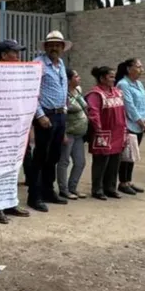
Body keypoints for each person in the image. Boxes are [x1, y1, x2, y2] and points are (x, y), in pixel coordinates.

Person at [28, 31, 74, 211]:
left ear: (63, 48)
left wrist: (64, 108)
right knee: (41, 156)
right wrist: (40, 115)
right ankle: (35, 196)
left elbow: (63, 88)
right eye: (51, 45)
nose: (54, 48)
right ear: (46, 47)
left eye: (58, 45)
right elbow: (32, 92)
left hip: (60, 114)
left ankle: (48, 190)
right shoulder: (38, 64)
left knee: (53, 156)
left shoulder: (61, 64)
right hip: (45, 115)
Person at [0, 39, 32, 224]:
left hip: (17, 127)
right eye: (14, 52)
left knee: (13, 168)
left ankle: (10, 202)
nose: (18, 56)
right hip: (0, 128)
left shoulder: (18, 73)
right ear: (4, 54)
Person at [85, 66, 127, 200]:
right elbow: (93, 113)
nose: (114, 79)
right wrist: (99, 130)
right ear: (102, 78)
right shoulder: (95, 94)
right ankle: (97, 189)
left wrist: (125, 129)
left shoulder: (117, 92)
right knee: (101, 161)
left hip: (118, 132)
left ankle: (110, 188)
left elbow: (123, 112)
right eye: (111, 77)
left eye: (114, 77)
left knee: (115, 161)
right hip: (103, 133)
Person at [115, 58, 145, 195]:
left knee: (133, 154)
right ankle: (123, 182)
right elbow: (129, 106)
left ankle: (129, 181)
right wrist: (141, 122)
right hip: (129, 124)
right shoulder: (123, 84)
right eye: (139, 67)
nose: (142, 70)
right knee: (126, 155)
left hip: (140, 125)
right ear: (129, 69)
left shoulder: (139, 84)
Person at [57, 68, 89, 199]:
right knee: (64, 161)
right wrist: (63, 133)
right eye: (76, 76)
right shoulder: (63, 95)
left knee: (80, 162)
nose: (79, 78)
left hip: (79, 133)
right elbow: (62, 115)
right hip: (68, 132)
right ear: (69, 80)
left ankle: (73, 187)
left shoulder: (78, 90)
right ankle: (63, 190)